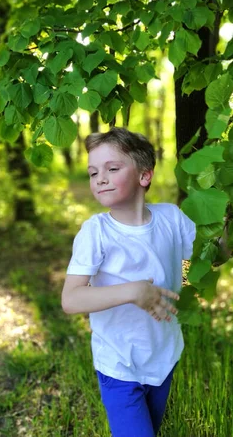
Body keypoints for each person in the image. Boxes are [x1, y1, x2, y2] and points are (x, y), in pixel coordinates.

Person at [61, 127, 196, 437]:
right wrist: (133, 291)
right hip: (118, 363)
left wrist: (186, 285)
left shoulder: (172, 219)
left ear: (144, 176)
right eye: (93, 173)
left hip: (163, 355)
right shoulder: (95, 232)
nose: (100, 179)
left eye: (112, 168)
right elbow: (71, 299)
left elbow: (193, 259)